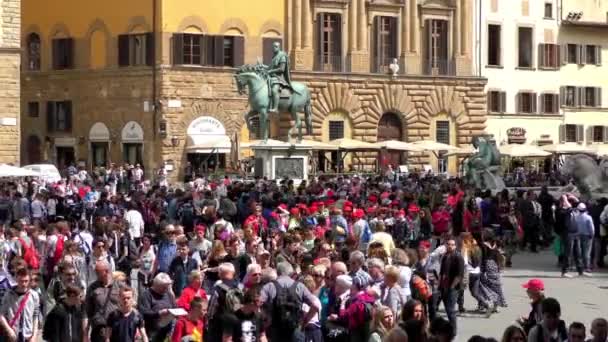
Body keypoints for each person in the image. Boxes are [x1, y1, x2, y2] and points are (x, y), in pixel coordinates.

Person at [260, 261, 320, 341]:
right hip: (296, 330)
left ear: (277, 272)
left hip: (275, 331)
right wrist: (305, 321)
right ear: (291, 273)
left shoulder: (269, 286)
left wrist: (266, 320)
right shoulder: (300, 286)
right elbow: (315, 306)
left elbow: (258, 303)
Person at [0, 268, 40, 342]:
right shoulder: (8, 295)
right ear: (16, 279)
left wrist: (34, 336)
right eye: (21, 281)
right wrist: (9, 330)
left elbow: (35, 316)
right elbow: (1, 315)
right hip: (13, 335)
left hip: (28, 335)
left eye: (26, 281)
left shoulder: (34, 295)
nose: (24, 284)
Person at [85, 260, 121, 342]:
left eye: (98, 272)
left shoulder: (120, 286)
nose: (96, 274)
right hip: (99, 330)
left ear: (107, 271)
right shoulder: (92, 288)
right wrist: (85, 334)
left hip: (116, 329)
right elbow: (87, 312)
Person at [138, 272, 176, 342]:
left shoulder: (168, 293)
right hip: (153, 331)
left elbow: (174, 307)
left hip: (167, 329)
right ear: (156, 285)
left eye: (167, 286)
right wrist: (159, 313)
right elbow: (143, 313)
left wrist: (172, 295)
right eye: (164, 287)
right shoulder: (146, 295)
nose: (166, 289)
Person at [438, 237, 464, 336]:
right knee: (447, 308)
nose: (450, 246)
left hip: (454, 287)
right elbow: (442, 272)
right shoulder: (445, 256)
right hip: (444, 286)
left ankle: (453, 330)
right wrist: (439, 284)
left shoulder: (458, 257)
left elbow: (459, 275)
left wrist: (452, 287)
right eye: (448, 244)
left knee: (450, 309)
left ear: (455, 246)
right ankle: (449, 328)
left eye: (452, 244)